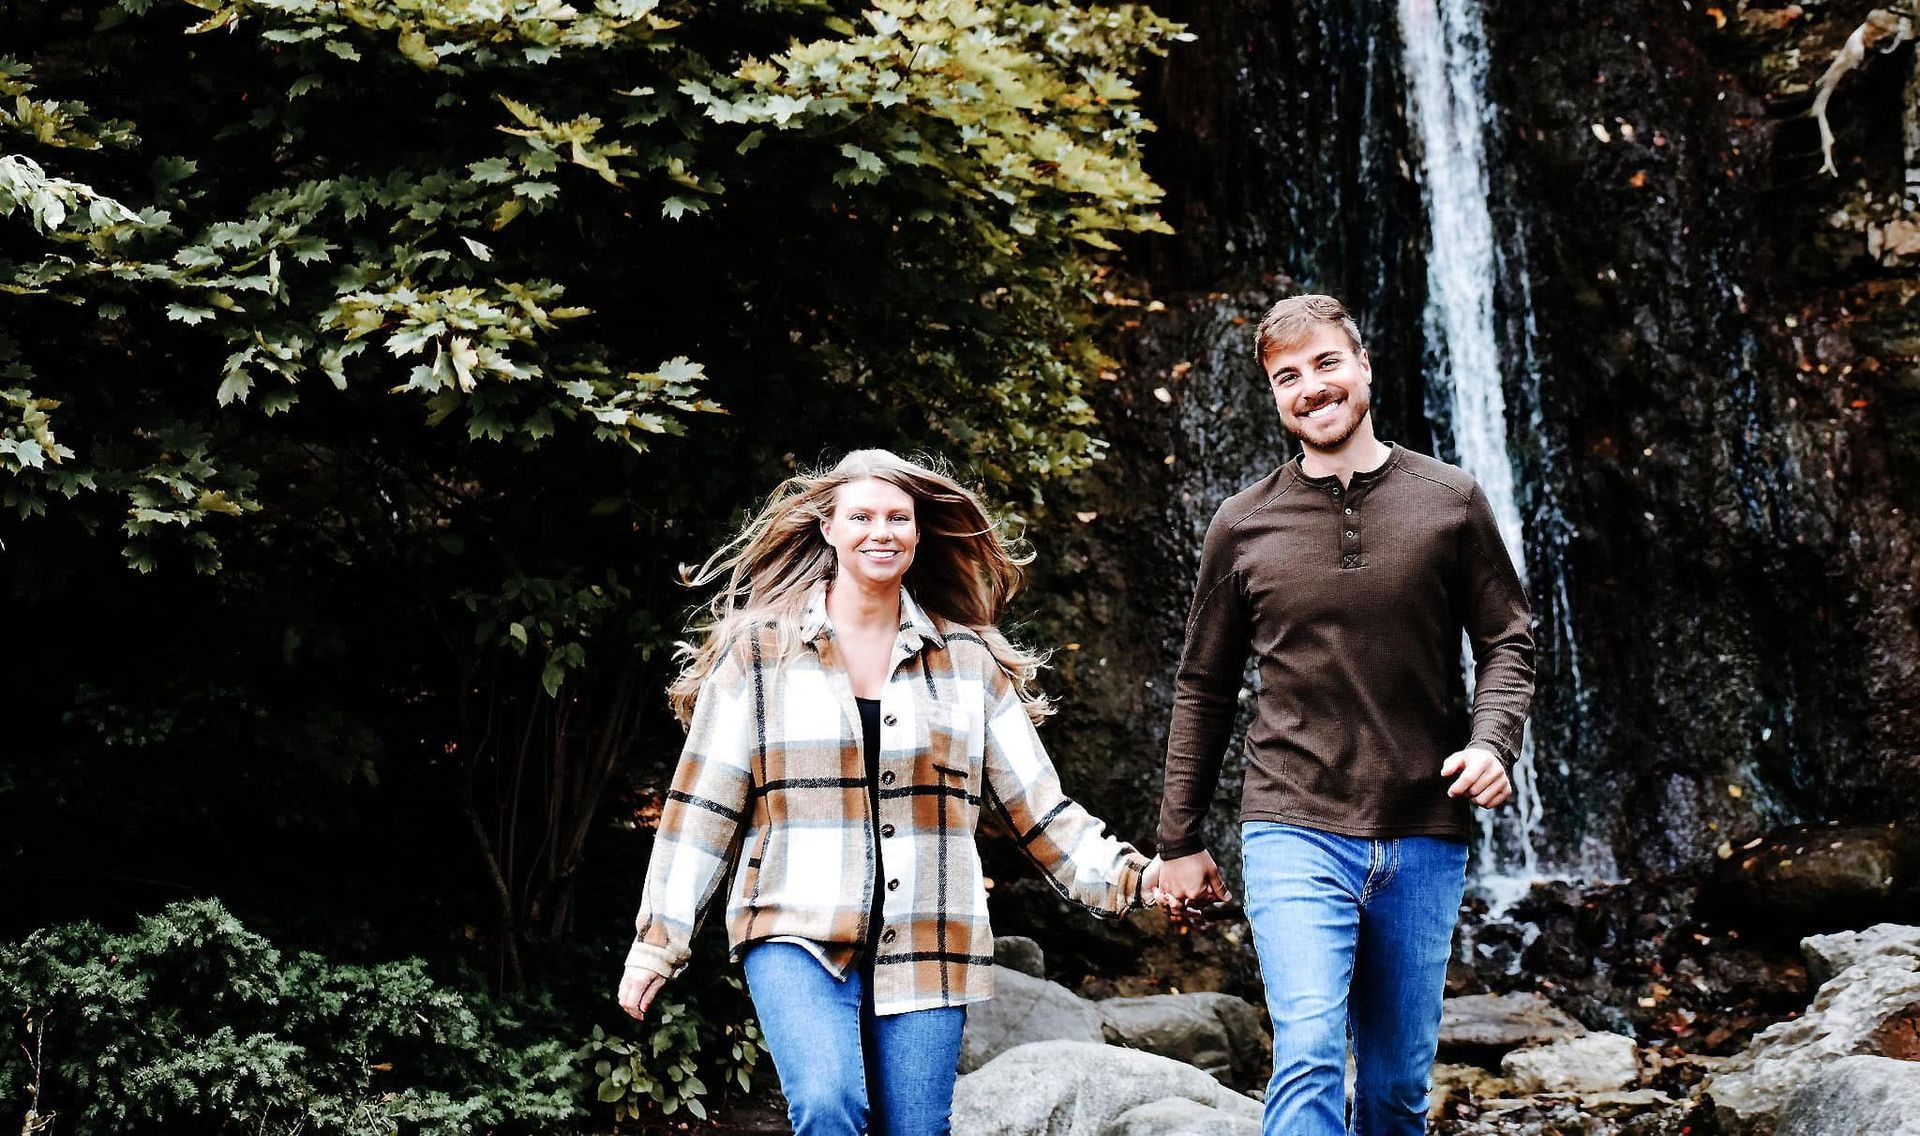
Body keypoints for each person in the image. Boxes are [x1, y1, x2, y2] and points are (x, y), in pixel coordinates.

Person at [616, 448, 1161, 1136]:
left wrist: (1138, 881)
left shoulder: (968, 662)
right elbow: (703, 809)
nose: (883, 531)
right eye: (863, 516)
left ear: (918, 530)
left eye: (898, 517)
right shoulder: (762, 653)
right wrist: (657, 943)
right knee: (827, 1103)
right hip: (793, 925)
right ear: (828, 528)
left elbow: (1043, 813)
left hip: (931, 935)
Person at [1155, 294, 1534, 1135]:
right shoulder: (1243, 524)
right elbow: (1203, 685)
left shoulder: (1451, 500)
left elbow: (1508, 638)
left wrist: (1493, 740)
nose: (1311, 386)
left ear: (1362, 367)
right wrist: (1178, 841)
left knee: (1397, 1088)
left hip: (1424, 828)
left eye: (1326, 363)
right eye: (1287, 376)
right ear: (1274, 397)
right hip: (1293, 823)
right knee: (1311, 1054)